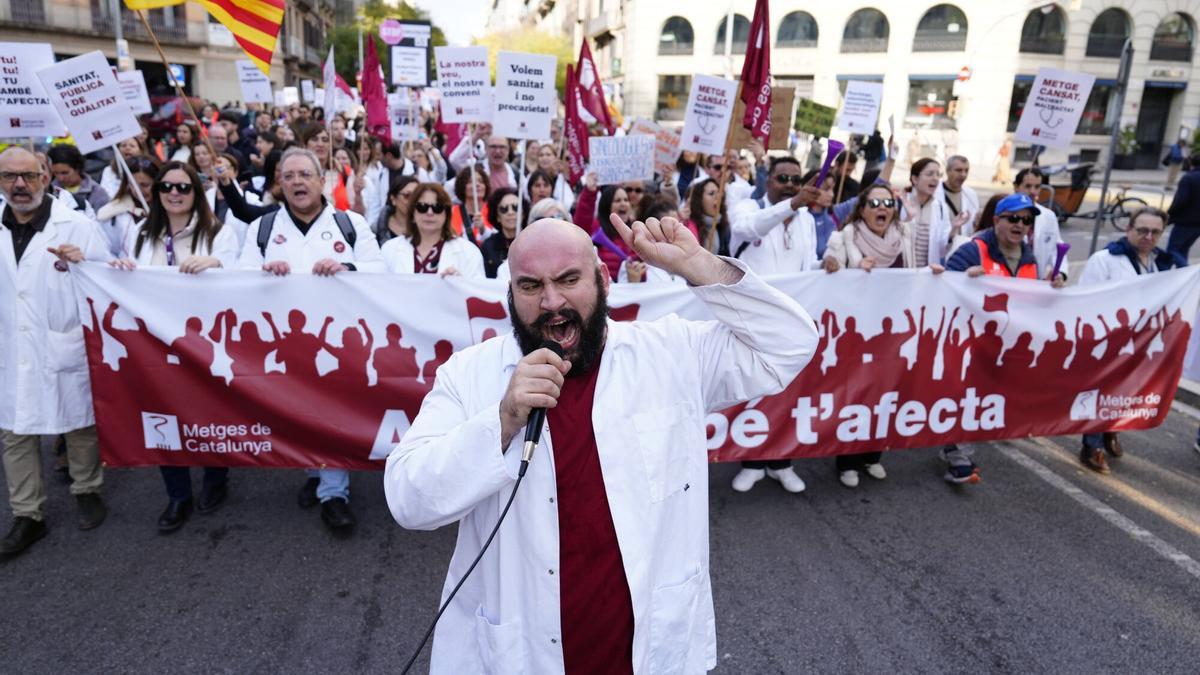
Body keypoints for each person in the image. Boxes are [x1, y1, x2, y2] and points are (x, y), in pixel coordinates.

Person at [383, 214, 817, 673]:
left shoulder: (671, 352)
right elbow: (408, 499)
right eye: (531, 287)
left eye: (569, 280)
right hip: (521, 653)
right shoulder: (471, 375)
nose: (552, 302)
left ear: (603, 278)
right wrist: (503, 419)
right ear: (510, 294)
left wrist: (699, 265)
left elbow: (789, 344)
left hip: (646, 652)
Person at [237, 147, 384, 533]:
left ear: (323, 181)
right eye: (289, 176)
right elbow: (238, 277)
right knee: (297, 411)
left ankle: (334, 494)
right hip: (283, 344)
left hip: (334, 343)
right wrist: (261, 270)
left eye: (305, 174)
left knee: (331, 410)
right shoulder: (263, 228)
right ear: (279, 184)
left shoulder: (349, 223)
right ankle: (316, 471)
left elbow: (381, 270)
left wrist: (347, 267)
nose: (297, 182)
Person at [109, 161, 238, 530]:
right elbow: (128, 278)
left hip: (203, 341)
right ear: (157, 192)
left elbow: (241, 273)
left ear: (197, 194)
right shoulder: (139, 232)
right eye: (167, 187)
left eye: (184, 188)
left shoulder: (218, 233)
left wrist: (215, 261)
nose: (175, 194)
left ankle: (216, 479)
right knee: (163, 413)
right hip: (153, 341)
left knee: (208, 411)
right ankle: (177, 494)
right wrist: (118, 269)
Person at [0, 147, 111, 556]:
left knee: (78, 421)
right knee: (14, 430)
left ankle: (87, 488)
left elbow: (110, 274)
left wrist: (85, 264)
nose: (19, 185)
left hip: (61, 338)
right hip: (11, 343)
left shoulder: (76, 225)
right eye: (9, 177)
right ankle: (27, 514)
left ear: (45, 178)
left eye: (28, 176)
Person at [823, 183, 946, 486]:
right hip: (859, 336)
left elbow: (914, 276)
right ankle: (847, 460)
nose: (882, 207)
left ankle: (872, 456)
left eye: (888, 202)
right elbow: (828, 274)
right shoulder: (843, 237)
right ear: (862, 208)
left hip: (895, 333)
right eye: (874, 202)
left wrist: (931, 277)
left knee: (887, 396)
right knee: (856, 397)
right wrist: (846, 270)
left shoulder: (904, 236)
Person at [942, 192, 1063, 484]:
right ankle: (957, 455)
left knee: (987, 397)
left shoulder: (1030, 258)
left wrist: (1050, 288)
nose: (1020, 225)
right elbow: (943, 286)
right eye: (1013, 218)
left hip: (1005, 346)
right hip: (970, 342)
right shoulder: (974, 250)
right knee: (967, 396)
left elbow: (1030, 302)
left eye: (1027, 220)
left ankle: (959, 442)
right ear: (997, 220)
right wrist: (965, 280)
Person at [726, 156, 821, 493]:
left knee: (789, 395)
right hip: (753, 321)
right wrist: (792, 205)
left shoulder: (805, 219)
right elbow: (745, 230)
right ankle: (752, 460)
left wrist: (829, 264)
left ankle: (782, 461)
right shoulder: (746, 207)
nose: (791, 185)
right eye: (783, 178)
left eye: (796, 180)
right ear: (768, 180)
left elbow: (807, 264)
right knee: (754, 390)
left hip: (792, 322)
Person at [1076, 207, 1184, 474]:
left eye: (1155, 232)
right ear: (1128, 230)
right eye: (1142, 230)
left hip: (1142, 343)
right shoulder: (1105, 260)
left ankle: (1113, 429)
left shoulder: (1162, 264)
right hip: (1108, 341)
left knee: (1128, 391)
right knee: (1102, 391)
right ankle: (1092, 446)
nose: (1148, 236)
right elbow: (1085, 299)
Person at [380, 183, 485, 278]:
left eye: (437, 207)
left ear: (447, 214)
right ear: (412, 213)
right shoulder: (390, 249)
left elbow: (477, 293)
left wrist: (460, 283)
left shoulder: (468, 252)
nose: (429, 213)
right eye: (422, 207)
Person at [1013, 167, 1069, 279]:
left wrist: (1060, 273)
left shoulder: (1049, 216)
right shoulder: (1006, 213)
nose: (1033, 191)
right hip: (1009, 280)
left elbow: (1057, 248)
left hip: (1037, 282)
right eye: (1028, 186)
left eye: (1037, 187)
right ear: (1016, 187)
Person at [95, 156, 156, 257]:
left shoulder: (170, 212)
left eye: (145, 185)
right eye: (133, 185)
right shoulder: (113, 213)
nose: (138, 190)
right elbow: (107, 249)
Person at [1162, 152, 1200, 266]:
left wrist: (1168, 214)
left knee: (1172, 250)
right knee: (1183, 250)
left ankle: (1186, 272)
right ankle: (1184, 278)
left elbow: (1181, 200)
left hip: (1185, 221)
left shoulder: (1189, 178)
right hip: (1198, 224)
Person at [48, 144, 110, 213]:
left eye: (65, 173)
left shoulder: (97, 193)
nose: (60, 178)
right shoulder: (49, 191)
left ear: (77, 168)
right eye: (56, 173)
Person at [481, 187, 525, 278]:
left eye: (515, 208)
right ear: (497, 217)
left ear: (523, 213)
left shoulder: (533, 241)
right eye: (504, 209)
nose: (510, 212)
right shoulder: (488, 246)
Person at [939, 155, 980, 235]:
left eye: (966, 171)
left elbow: (974, 225)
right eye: (958, 170)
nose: (963, 175)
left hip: (962, 244)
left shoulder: (971, 195)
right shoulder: (935, 193)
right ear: (947, 171)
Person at [374, 175, 419, 246]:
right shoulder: (375, 231)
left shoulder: (427, 227)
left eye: (417, 196)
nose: (413, 201)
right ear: (393, 199)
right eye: (407, 196)